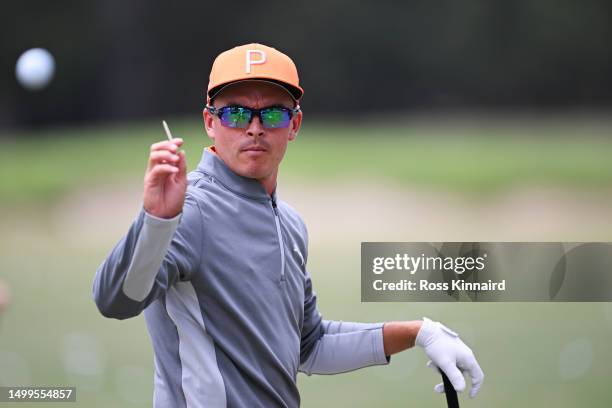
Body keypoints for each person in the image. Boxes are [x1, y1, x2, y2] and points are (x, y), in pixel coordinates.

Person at [92, 43, 484, 407]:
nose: (255, 127)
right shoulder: (190, 210)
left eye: (274, 113)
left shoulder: (290, 224)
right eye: (236, 112)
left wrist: (419, 332)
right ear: (210, 122)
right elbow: (115, 300)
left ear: (294, 125)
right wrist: (157, 221)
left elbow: (310, 345)